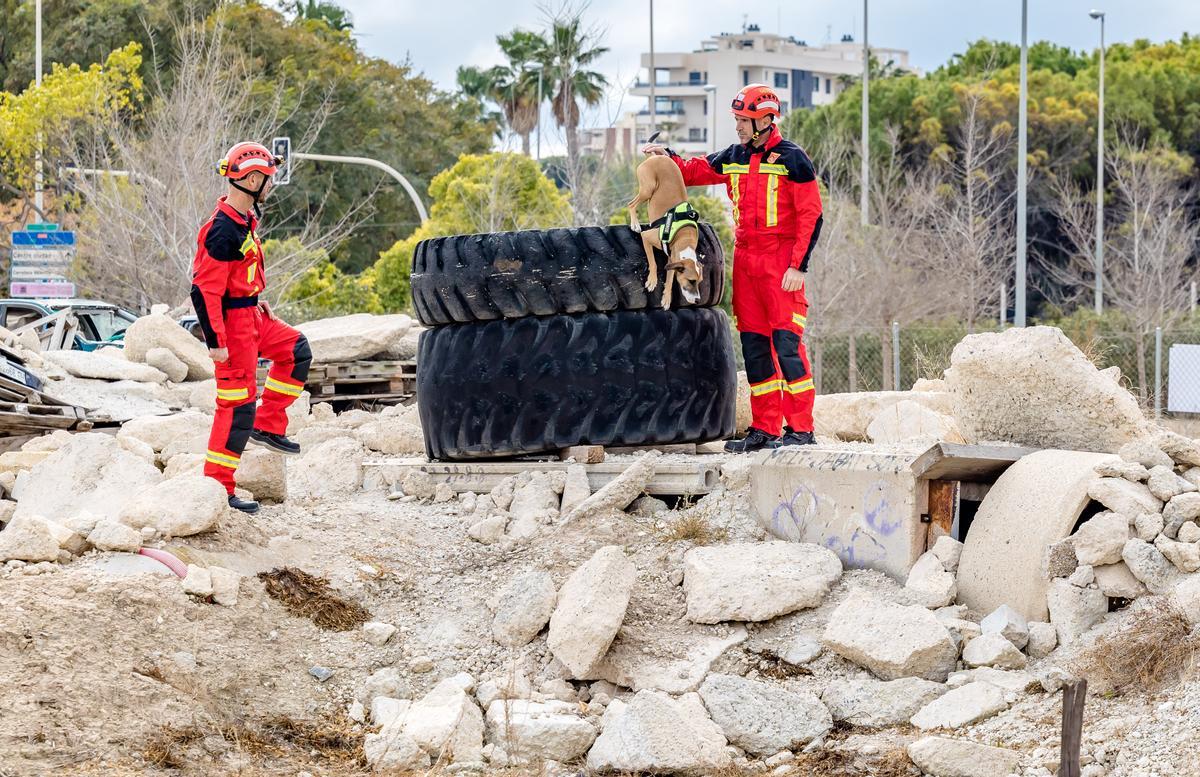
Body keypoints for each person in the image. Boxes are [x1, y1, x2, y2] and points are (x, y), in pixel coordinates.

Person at [642, 83, 823, 452]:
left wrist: (798, 266)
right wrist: (667, 157)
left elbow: (811, 214)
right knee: (755, 348)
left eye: (746, 120)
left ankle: (802, 430)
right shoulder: (735, 155)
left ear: (768, 120)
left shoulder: (793, 159)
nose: (739, 126)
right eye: (738, 119)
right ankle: (765, 430)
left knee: (787, 347)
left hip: (781, 262)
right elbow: (695, 172)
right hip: (746, 260)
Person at [190, 141, 312, 514]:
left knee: (297, 351)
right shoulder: (221, 228)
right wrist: (216, 342)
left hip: (252, 314)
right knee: (235, 407)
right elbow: (202, 290)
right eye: (268, 179)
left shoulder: (244, 220)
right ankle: (218, 489)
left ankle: (269, 424)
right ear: (252, 179)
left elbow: (234, 274)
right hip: (232, 328)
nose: (271, 185)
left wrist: (252, 295)